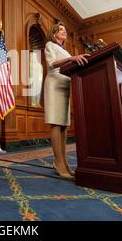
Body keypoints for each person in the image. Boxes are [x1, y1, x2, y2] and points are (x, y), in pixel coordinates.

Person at [44, 22, 90, 178]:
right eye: (61, 30)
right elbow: (51, 64)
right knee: (56, 123)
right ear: (54, 33)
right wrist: (73, 58)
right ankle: (58, 162)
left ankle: (64, 162)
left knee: (63, 125)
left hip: (65, 85)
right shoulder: (50, 45)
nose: (64, 32)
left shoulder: (65, 50)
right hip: (54, 84)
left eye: (65, 30)